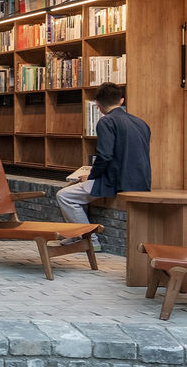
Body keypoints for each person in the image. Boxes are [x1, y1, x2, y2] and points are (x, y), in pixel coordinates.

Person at [57, 84, 150, 246]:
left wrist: (91, 176)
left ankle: (89, 240)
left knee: (65, 196)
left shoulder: (106, 122)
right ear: (121, 101)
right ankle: (78, 234)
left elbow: (105, 156)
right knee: (77, 193)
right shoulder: (141, 122)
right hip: (141, 180)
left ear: (97, 105)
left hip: (117, 181)